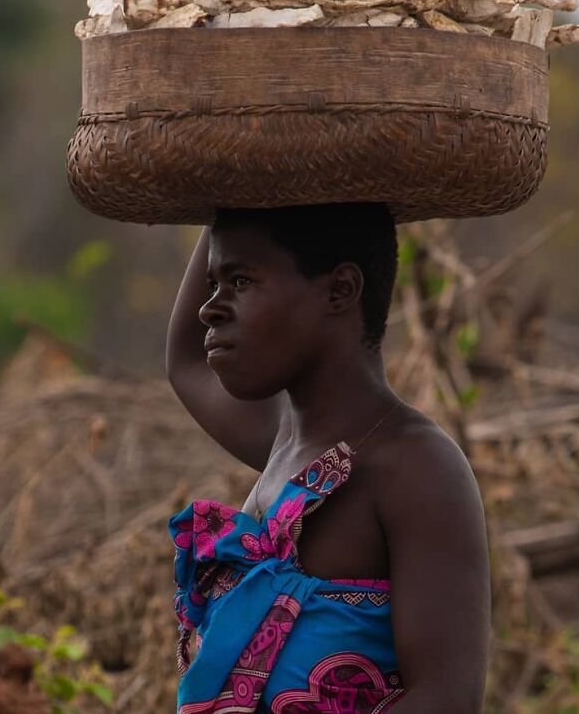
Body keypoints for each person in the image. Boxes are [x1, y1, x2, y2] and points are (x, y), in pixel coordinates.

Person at [165, 202, 490, 713]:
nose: (212, 307)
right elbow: (185, 359)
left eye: (241, 281)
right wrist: (229, 184)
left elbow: (448, 698)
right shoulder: (282, 441)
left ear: (340, 290)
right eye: (213, 283)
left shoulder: (417, 468)